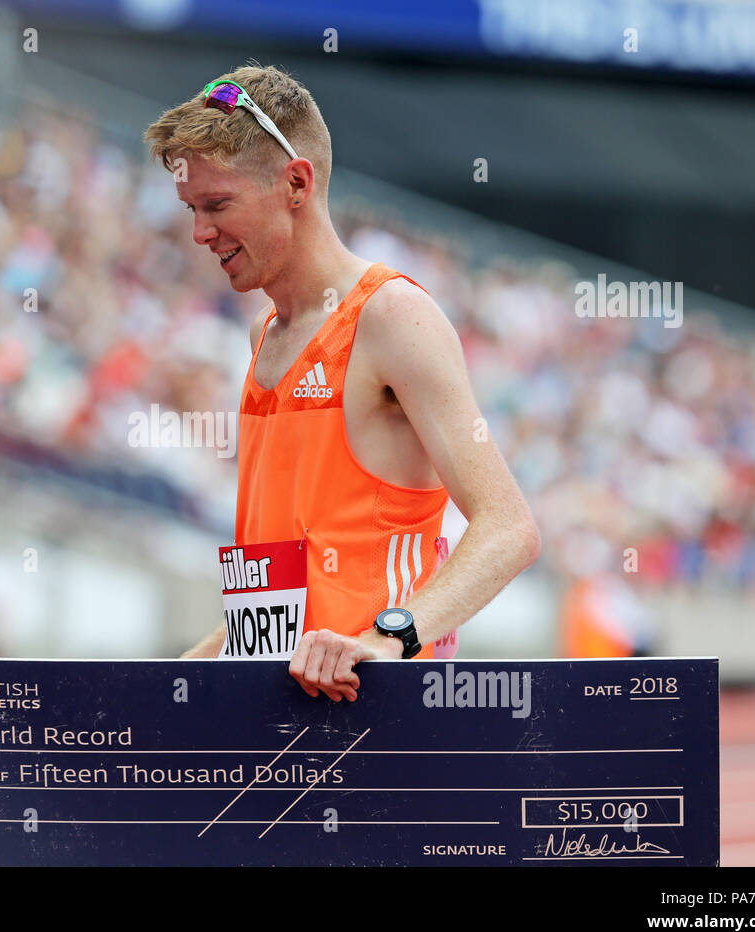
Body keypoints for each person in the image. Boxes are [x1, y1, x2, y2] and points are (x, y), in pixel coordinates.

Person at [143, 65, 540, 701]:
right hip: (277, 717)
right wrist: (177, 678)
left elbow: (509, 528)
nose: (200, 233)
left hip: (381, 717)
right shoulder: (263, 337)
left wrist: (388, 641)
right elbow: (272, 617)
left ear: (295, 183)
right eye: (192, 210)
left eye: (217, 205)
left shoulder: (391, 317)